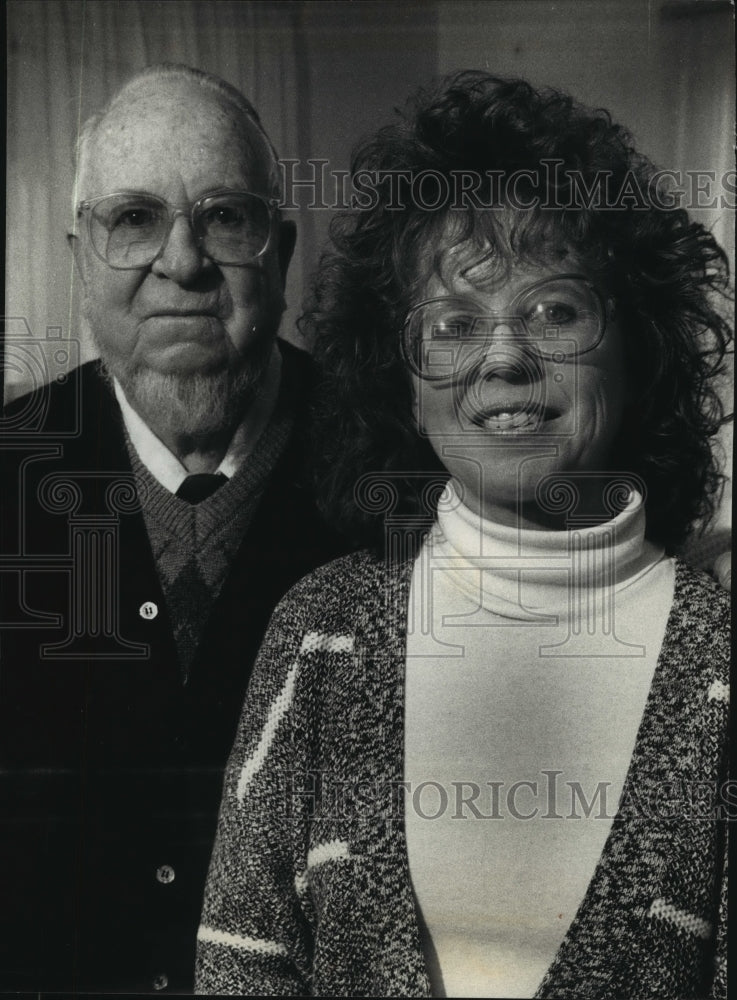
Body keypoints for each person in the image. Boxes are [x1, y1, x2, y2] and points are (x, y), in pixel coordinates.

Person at [196, 72, 731, 998]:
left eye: (554, 310)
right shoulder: (319, 636)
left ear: (636, 344)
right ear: (400, 373)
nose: (503, 356)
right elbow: (238, 970)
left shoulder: (721, 663)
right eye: (452, 322)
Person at [0, 64, 346, 993]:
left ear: (278, 249)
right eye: (134, 219)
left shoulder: (392, 475)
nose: (182, 262)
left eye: (223, 217)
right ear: (80, 255)